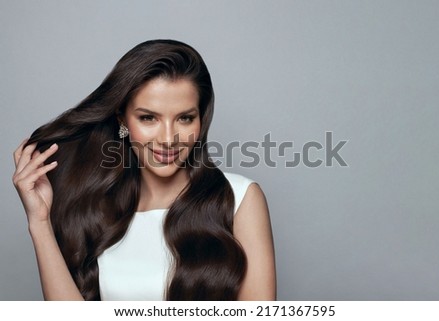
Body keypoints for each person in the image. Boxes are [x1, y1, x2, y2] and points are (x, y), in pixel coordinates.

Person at [12, 40, 276, 301]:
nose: (168, 138)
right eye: (148, 118)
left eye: (185, 118)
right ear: (122, 119)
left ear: (201, 118)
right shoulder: (99, 210)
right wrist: (40, 222)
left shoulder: (240, 198)